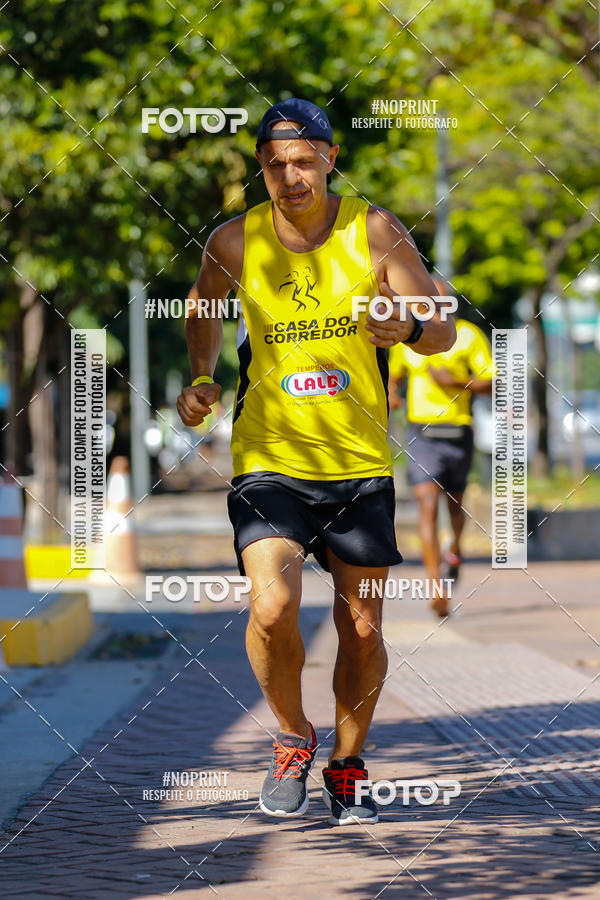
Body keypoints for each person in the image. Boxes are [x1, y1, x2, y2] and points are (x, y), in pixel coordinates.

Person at [177, 99, 455, 825]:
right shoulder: (235, 242)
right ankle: (295, 738)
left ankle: (348, 761)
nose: (290, 177)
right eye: (275, 165)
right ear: (261, 171)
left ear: (331, 159)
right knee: (271, 607)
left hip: (358, 461)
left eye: (304, 162)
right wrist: (202, 376)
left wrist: (409, 324)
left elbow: (442, 328)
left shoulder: (376, 230)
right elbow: (204, 305)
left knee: (362, 626)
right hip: (268, 457)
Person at [388, 280, 493, 618]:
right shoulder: (409, 335)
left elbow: (493, 381)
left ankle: (456, 549)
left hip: (458, 430)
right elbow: (392, 377)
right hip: (422, 433)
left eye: (438, 300)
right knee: (427, 505)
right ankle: (436, 587)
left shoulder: (468, 336)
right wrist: (391, 395)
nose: (431, 305)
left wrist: (456, 382)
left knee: (455, 507)